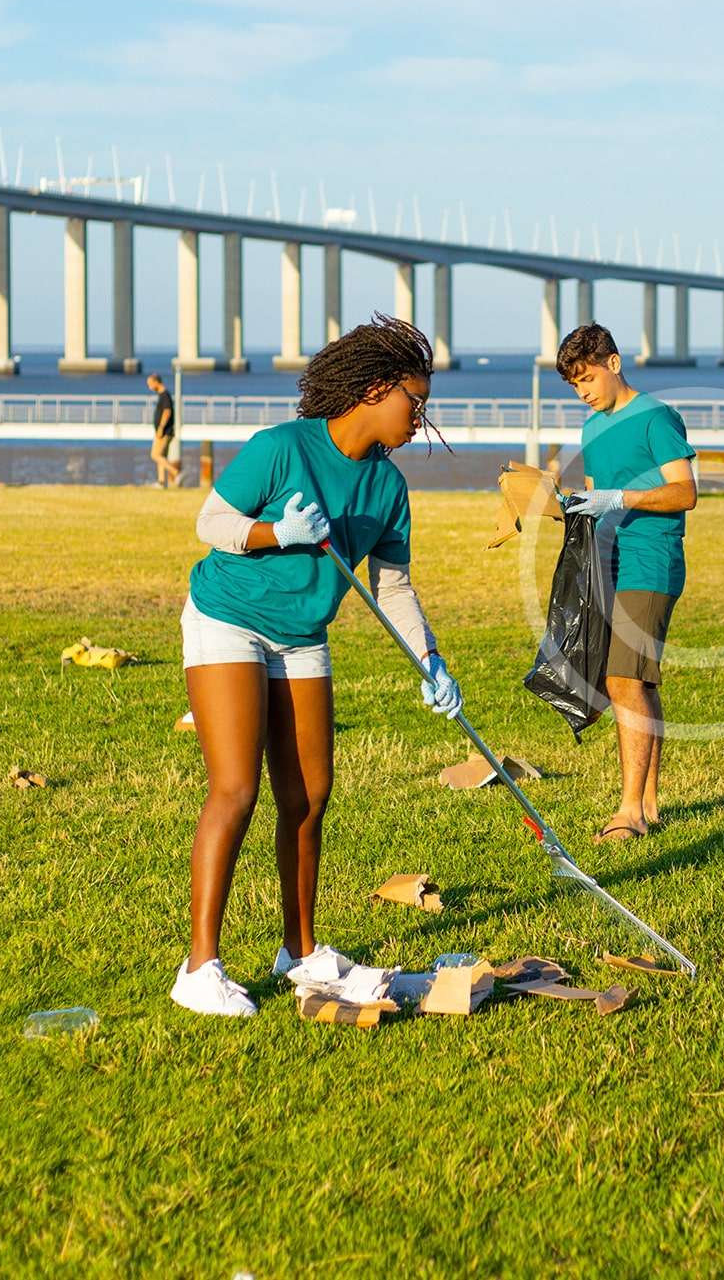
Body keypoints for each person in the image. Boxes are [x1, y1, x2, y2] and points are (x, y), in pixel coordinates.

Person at [171, 315, 463, 1018]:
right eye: (415, 402)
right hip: (228, 618)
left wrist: (430, 660)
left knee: (309, 794)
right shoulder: (281, 448)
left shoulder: (388, 488)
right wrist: (278, 532)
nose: (421, 419)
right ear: (374, 390)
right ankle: (200, 967)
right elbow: (211, 522)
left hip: (303, 634)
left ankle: (299, 952)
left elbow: (393, 586)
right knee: (237, 788)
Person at [554, 322, 697, 844]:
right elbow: (597, 498)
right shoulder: (592, 429)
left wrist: (621, 498)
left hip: (651, 561)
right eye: (574, 385)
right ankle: (650, 805)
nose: (583, 392)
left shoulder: (657, 417)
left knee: (622, 681)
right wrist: (569, 505)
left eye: (587, 378)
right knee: (638, 682)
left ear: (613, 364)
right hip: (607, 561)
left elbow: (685, 493)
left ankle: (630, 811)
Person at [147, 373, 182, 488]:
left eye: (150, 384)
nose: (149, 387)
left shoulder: (165, 395)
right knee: (161, 457)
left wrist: (161, 428)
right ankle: (161, 482)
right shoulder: (162, 395)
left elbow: (167, 412)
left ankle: (176, 473)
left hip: (164, 432)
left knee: (155, 455)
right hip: (163, 431)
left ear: (156, 382)